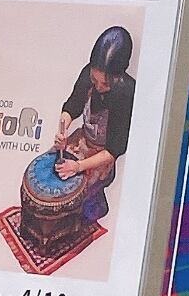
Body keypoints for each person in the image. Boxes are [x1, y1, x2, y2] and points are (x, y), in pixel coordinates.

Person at [54, 25, 136, 225]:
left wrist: (78, 166)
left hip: (102, 156)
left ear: (118, 76)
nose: (98, 86)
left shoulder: (125, 93)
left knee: (74, 189)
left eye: (105, 84)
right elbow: (72, 106)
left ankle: (93, 205)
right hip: (83, 139)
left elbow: (114, 150)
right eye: (94, 80)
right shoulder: (88, 73)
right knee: (52, 168)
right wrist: (62, 131)